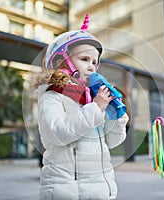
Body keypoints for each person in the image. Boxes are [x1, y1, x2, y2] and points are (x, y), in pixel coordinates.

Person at [32, 14, 129, 200]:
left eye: (95, 62)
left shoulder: (91, 99)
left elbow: (112, 142)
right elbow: (57, 133)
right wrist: (95, 108)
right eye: (84, 59)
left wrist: (117, 118)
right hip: (67, 192)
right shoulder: (52, 95)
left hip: (100, 192)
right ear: (62, 62)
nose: (92, 67)